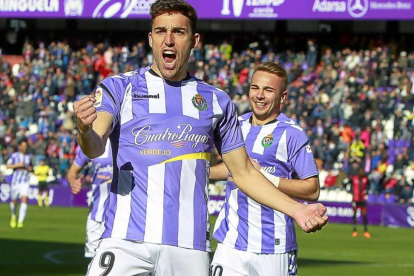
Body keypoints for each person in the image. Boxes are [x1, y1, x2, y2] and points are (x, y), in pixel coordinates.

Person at [74, 1, 328, 275]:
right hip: (125, 241)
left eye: (178, 32)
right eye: (160, 31)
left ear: (194, 40)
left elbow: (243, 173)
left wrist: (297, 211)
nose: (168, 40)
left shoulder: (216, 101)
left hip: (189, 248)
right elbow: (94, 145)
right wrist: (85, 130)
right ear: (150, 38)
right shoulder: (118, 87)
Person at [210, 62, 320, 276]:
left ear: (283, 97)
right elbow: (234, 169)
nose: (259, 95)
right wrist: (202, 171)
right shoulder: (235, 127)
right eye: (255, 88)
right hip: (230, 244)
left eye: (268, 90)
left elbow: (312, 189)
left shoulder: (292, 134)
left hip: (274, 247)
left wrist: (266, 177)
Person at [66, 140, 113, 258]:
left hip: (121, 217)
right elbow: (72, 171)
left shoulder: (128, 140)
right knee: (94, 261)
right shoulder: (92, 143)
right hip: (96, 214)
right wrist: (73, 182)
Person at [6, 140, 32, 228]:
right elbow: (8, 165)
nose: (25, 147)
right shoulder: (14, 156)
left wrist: (29, 169)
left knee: (24, 199)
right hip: (16, 181)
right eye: (23, 146)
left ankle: (20, 221)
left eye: (26, 146)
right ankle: (13, 215)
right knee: (14, 201)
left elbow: (30, 167)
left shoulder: (29, 157)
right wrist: (18, 165)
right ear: (19, 146)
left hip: (25, 181)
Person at [350, 165, 371, 238]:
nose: (363, 172)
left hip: (362, 199)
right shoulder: (354, 178)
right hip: (355, 199)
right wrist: (351, 193)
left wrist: (367, 191)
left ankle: (366, 231)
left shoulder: (365, 179)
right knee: (355, 215)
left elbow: (369, 186)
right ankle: (354, 230)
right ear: (358, 172)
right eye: (361, 171)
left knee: (365, 215)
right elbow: (350, 186)